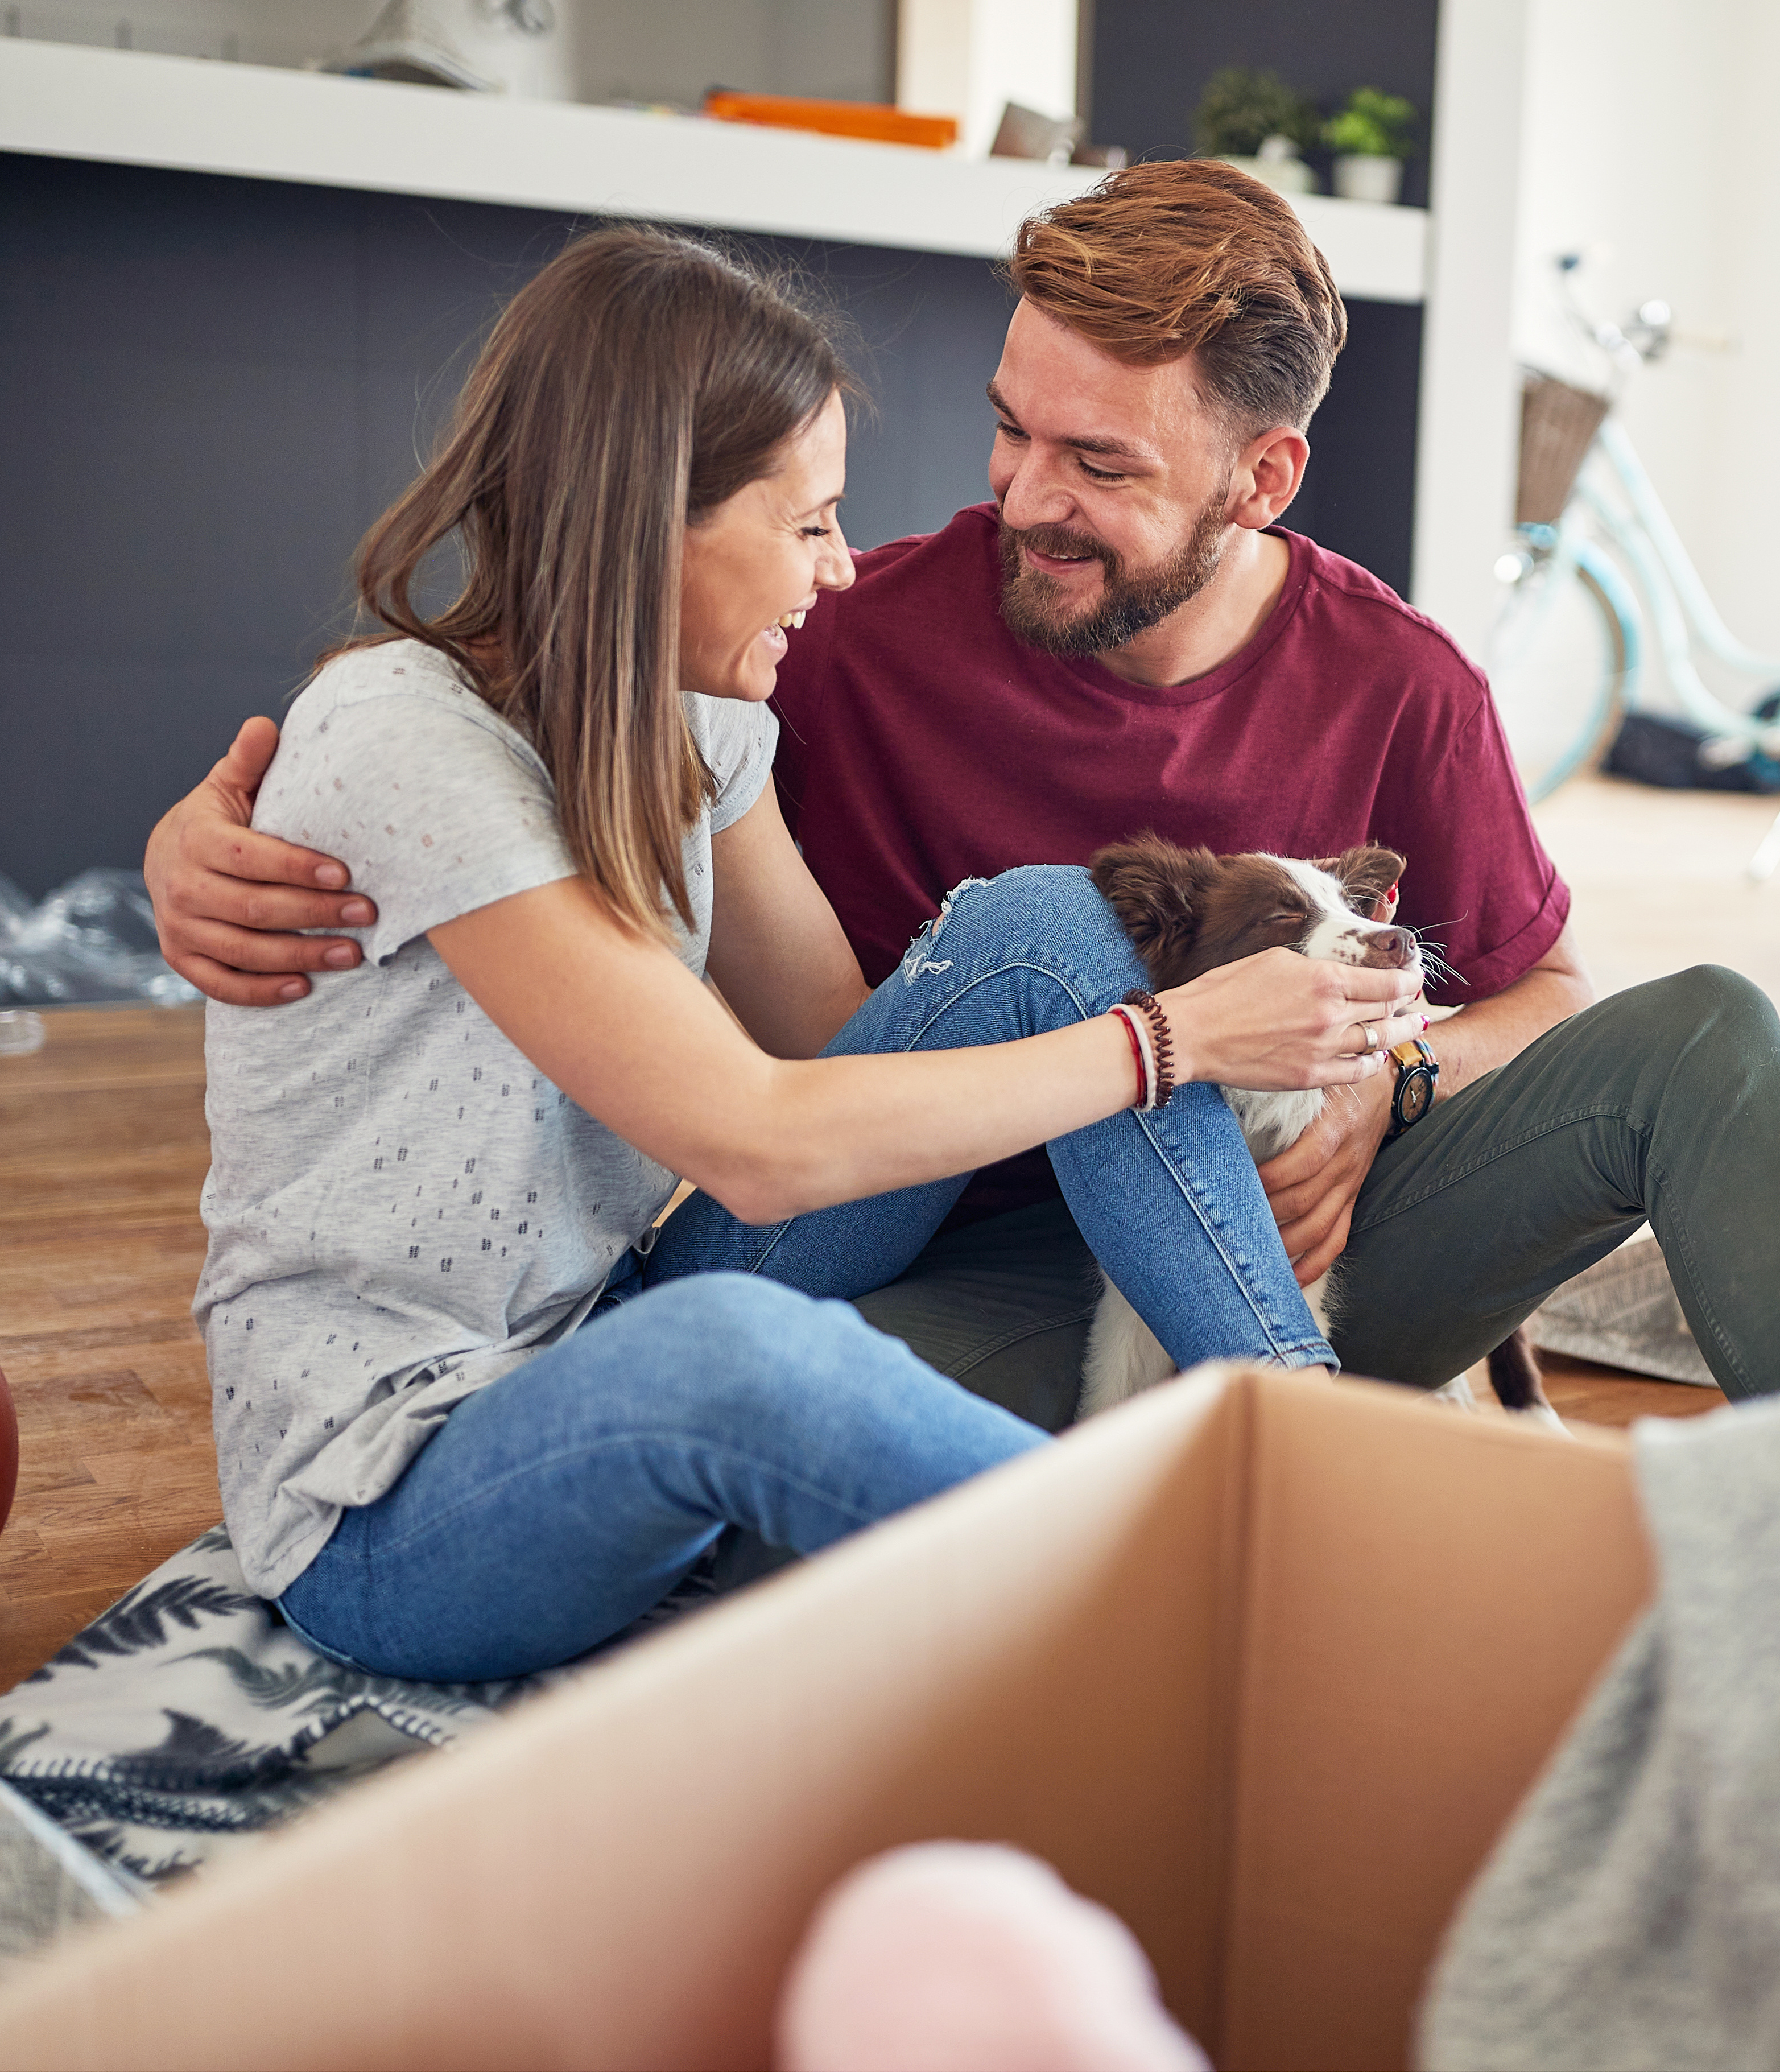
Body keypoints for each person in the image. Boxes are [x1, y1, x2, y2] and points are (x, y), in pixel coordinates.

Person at [152, 163, 1780, 1432]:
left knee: (1707, 1035)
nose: (1020, 497)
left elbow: (1539, 998)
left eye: (1098, 464)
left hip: (1293, 1241)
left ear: (1262, 477)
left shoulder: (1400, 683)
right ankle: (1265, 1492)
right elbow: (507, 705)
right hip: (969, 1268)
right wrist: (218, 839)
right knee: (786, 1432)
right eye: (1013, 428)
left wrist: (1373, 1073)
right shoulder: (839, 632)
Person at [197, 225, 1424, 1683]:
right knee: (736, 1358)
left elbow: (850, 1055)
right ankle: (1230, 1616)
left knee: (1044, 924)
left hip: (611, 1325)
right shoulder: (406, 741)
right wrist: (1183, 1040)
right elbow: (760, 1145)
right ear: (649, 515)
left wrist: (1168, 1008)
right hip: (396, 1497)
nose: (841, 572)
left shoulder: (703, 726)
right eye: (808, 525)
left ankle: (1306, 1446)